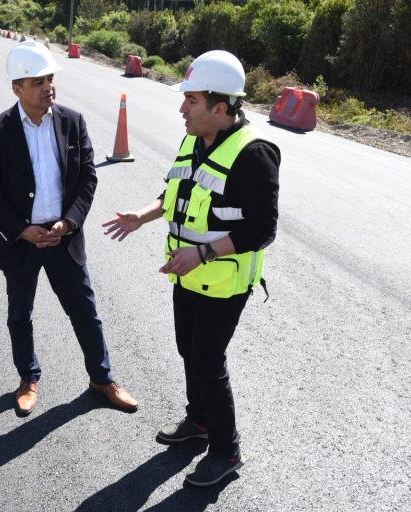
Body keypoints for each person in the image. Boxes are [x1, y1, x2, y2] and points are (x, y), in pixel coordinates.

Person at [103, 50, 280, 487]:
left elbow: (262, 228)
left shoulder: (254, 153)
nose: (182, 108)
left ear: (220, 108)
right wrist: (140, 217)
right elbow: (174, 194)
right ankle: (199, 421)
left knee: (206, 359)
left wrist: (203, 254)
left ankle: (226, 450)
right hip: (186, 273)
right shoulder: (193, 140)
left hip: (223, 280)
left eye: (192, 101)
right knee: (189, 351)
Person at [0, 41, 138, 417]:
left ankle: (102, 379)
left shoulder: (71, 121)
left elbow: (87, 178)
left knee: (85, 310)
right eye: (38, 81)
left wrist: (70, 222)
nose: (48, 86)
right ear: (17, 88)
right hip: (22, 241)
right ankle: (28, 379)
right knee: (20, 313)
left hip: (64, 237)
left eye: (50, 78)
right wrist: (21, 229)